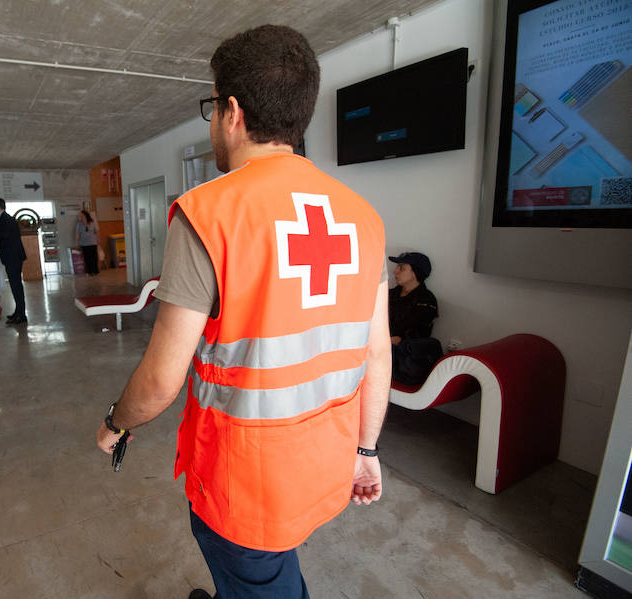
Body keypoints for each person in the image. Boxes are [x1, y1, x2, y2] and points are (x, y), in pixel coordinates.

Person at [94, 25, 390, 599]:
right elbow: (377, 352)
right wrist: (366, 451)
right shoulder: (363, 217)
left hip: (244, 482)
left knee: (260, 580)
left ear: (231, 111)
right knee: (269, 569)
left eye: (211, 107)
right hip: (325, 460)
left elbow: (159, 380)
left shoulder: (210, 212)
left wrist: (117, 422)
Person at [388, 252, 441, 384]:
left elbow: (414, 335)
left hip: (403, 357)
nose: (395, 271)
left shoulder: (426, 300)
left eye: (402, 268)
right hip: (382, 347)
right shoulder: (391, 294)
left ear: (415, 273)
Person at [0, 197, 27, 325]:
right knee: (15, 286)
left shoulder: (6, 219)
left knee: (16, 286)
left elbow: (6, 235)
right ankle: (18, 312)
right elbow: (8, 238)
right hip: (12, 256)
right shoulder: (4, 218)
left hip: (13, 257)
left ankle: (21, 315)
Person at [75, 210, 100, 275]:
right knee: (87, 258)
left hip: (93, 243)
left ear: (86, 216)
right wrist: (77, 243)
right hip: (84, 243)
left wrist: (98, 240)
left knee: (94, 258)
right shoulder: (79, 224)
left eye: (82, 215)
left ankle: (95, 271)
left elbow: (97, 232)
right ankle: (89, 271)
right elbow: (77, 234)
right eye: (80, 216)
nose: (80, 216)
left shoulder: (92, 223)